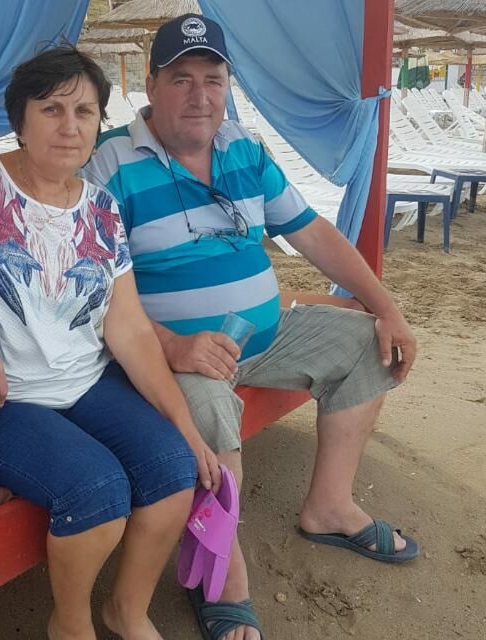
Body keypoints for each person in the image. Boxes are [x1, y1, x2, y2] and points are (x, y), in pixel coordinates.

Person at [0, 46, 221, 640]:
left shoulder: (102, 210)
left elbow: (129, 328)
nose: (69, 126)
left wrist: (184, 424)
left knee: (174, 469)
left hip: (84, 383)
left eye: (85, 111)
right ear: (20, 120)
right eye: (51, 109)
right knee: (97, 490)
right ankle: (71, 624)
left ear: (99, 123)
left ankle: (127, 611)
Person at [85, 13, 420, 640]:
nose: (200, 96)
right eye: (181, 80)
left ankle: (329, 506)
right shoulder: (110, 164)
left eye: (212, 80)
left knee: (363, 344)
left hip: (264, 337)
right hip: (174, 354)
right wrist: (171, 345)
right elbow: (89, 286)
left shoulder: (243, 146)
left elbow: (312, 233)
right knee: (210, 409)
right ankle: (221, 578)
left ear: (227, 86)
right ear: (150, 86)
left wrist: (386, 307)